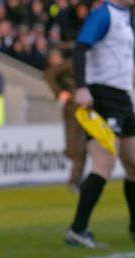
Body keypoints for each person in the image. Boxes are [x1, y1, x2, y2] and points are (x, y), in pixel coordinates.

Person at [65, 0, 135, 248]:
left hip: (122, 96)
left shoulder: (124, 16)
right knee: (105, 162)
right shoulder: (103, 14)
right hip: (102, 95)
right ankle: (77, 229)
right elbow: (80, 48)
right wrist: (81, 87)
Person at [44, 48, 87, 192]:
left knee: (81, 148)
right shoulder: (70, 64)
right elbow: (49, 74)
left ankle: (76, 180)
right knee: (73, 150)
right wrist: (59, 93)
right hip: (73, 110)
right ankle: (77, 178)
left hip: (85, 110)